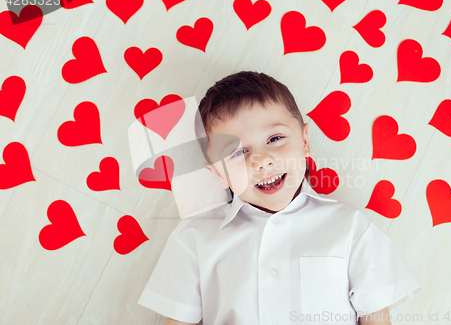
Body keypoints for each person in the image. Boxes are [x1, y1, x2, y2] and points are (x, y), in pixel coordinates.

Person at [138, 71, 422, 325]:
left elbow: (376, 318)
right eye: (237, 153)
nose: (262, 161)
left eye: (275, 139)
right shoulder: (193, 239)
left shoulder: (352, 228)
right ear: (218, 174)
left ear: (305, 141)